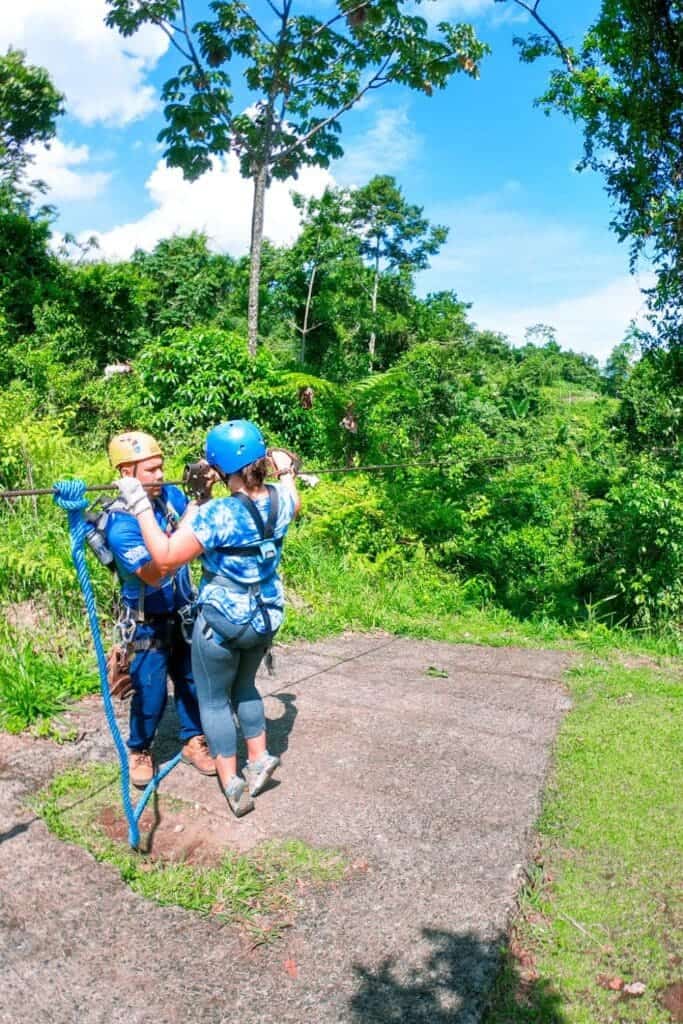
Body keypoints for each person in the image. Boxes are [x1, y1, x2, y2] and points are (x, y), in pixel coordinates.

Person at [114, 420, 300, 818]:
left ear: (216, 469)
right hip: (267, 615)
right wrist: (285, 469)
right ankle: (260, 756)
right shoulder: (283, 500)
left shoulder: (216, 514)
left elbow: (163, 558)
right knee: (246, 687)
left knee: (214, 700)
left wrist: (140, 504)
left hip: (224, 620)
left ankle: (232, 781)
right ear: (262, 460)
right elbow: (293, 497)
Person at [106, 431, 216, 787]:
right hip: (146, 622)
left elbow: (199, 529)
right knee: (150, 690)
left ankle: (193, 739)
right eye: (150, 469)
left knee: (191, 681)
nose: (159, 475)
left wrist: (204, 495)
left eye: (161, 468)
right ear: (126, 473)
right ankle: (139, 748)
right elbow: (157, 572)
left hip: (184, 611)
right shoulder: (120, 524)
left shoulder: (169, 496)